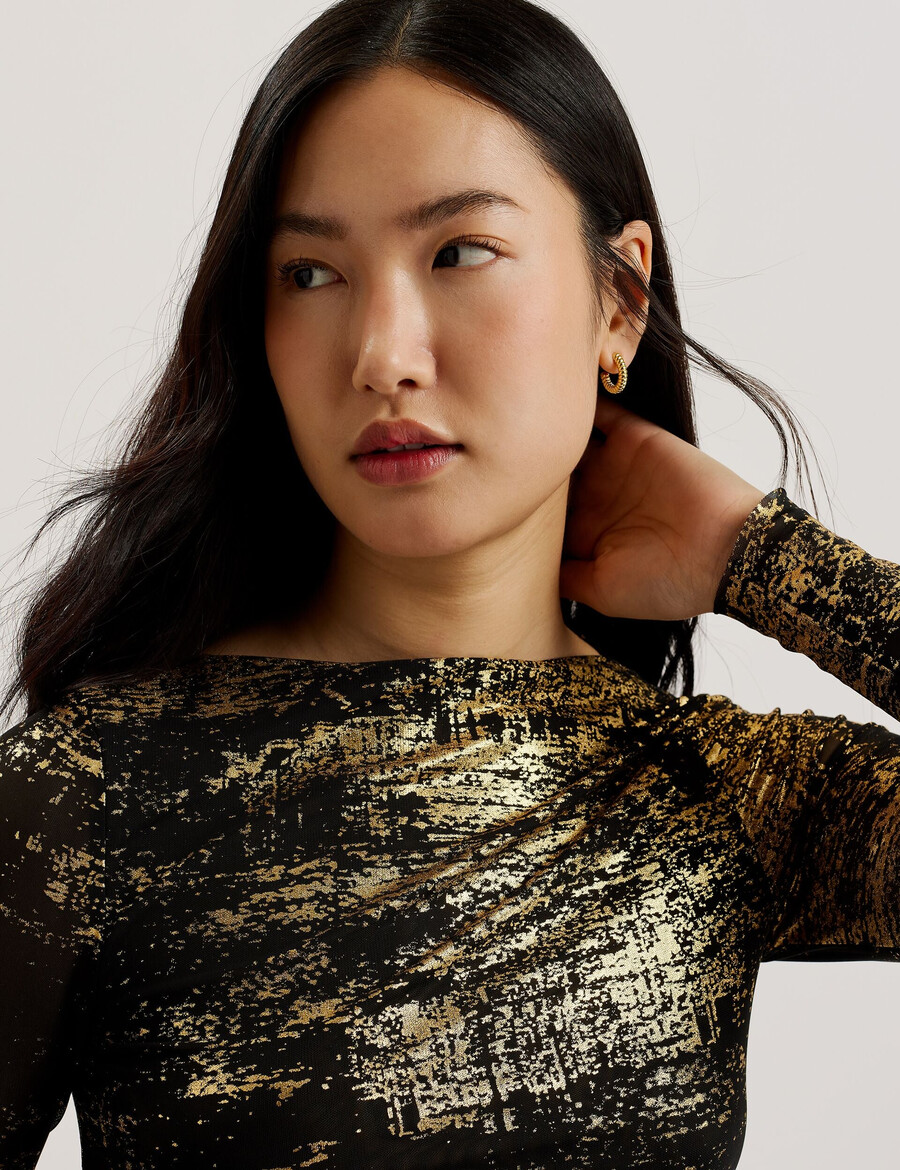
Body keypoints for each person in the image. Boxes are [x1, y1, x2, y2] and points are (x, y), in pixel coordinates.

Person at [0, 0, 896, 1167]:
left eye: (459, 252)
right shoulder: (92, 794)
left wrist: (764, 558)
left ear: (620, 303)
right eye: (310, 272)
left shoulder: (713, 794)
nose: (382, 355)